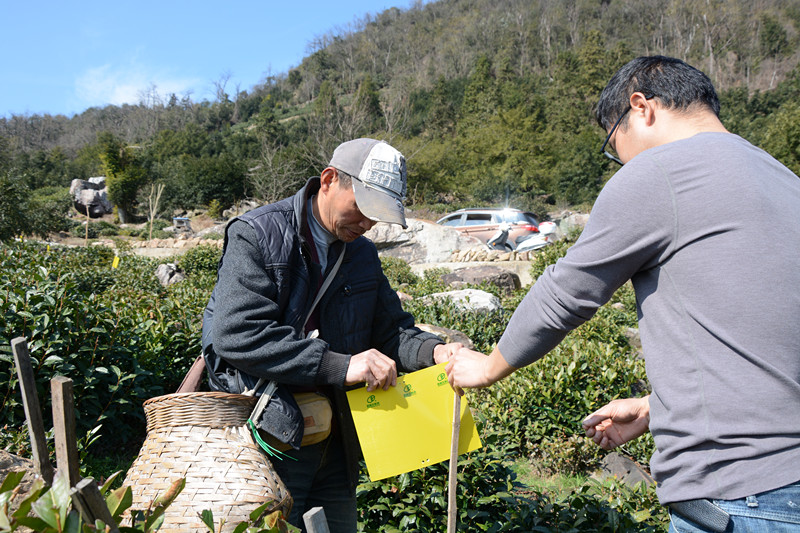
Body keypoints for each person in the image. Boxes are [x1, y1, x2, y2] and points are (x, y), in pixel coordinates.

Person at [446, 56, 800, 531]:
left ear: (641, 108)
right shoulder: (781, 177)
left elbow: (566, 293)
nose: (622, 161)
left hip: (740, 493)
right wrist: (658, 406)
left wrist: (488, 367)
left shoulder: (660, 171)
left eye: (614, 144)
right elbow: (761, 332)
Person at [202, 138, 462, 532]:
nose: (367, 224)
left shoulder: (361, 254)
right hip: (270, 438)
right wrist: (341, 365)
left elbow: (391, 331)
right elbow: (237, 333)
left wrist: (437, 352)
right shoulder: (257, 234)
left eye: (378, 216)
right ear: (328, 180)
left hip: (336, 440)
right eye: (362, 208)